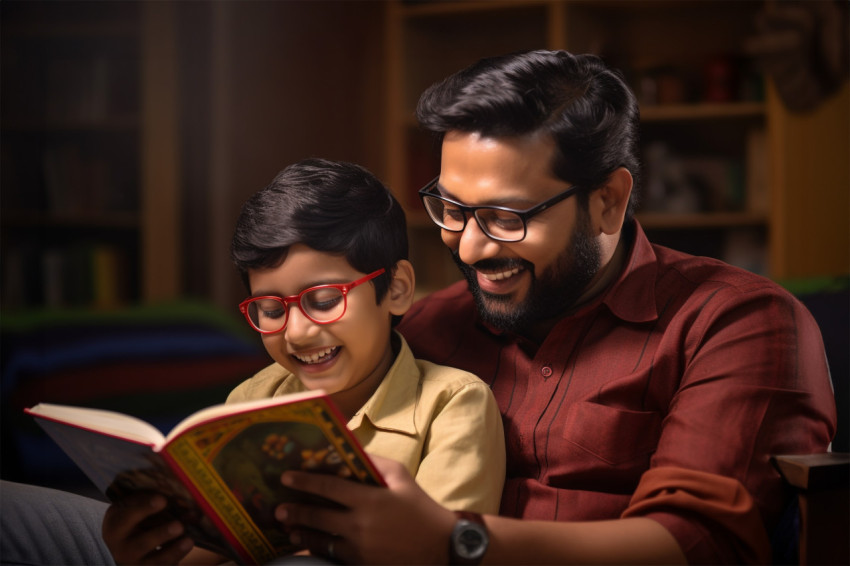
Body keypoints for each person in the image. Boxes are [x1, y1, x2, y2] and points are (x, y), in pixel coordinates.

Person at [270, 50, 838, 565]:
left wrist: (453, 543)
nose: (468, 247)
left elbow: (696, 545)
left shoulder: (735, 322)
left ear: (608, 202)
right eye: (452, 208)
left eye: (506, 217)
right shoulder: (427, 327)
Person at [0, 159, 505, 566]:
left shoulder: (452, 402)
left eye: (325, 299)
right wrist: (153, 547)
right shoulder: (255, 396)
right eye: (270, 309)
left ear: (395, 289)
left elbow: (445, 550)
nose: (298, 331)